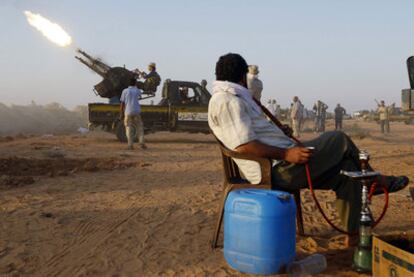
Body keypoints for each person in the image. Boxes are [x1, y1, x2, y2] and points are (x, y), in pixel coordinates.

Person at [208, 53, 408, 240]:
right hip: (276, 169)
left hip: (281, 162)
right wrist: (286, 153)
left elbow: (252, 134)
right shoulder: (227, 100)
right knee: (338, 139)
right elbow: (244, 145)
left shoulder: (234, 97)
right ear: (243, 77)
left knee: (347, 172)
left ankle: (356, 237)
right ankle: (375, 181)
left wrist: (279, 133)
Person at [120, 78, 146, 150]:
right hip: (137, 111)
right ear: (135, 83)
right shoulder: (137, 90)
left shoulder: (125, 91)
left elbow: (122, 103)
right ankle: (141, 144)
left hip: (128, 111)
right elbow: (139, 97)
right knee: (140, 128)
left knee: (128, 128)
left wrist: (121, 113)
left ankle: (130, 145)